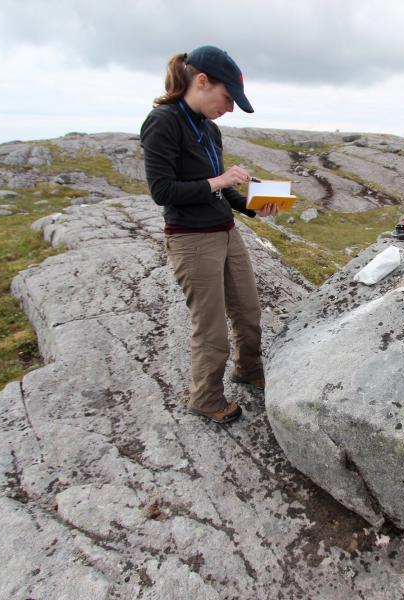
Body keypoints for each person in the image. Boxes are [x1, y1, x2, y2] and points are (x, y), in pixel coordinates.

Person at [140, 45, 277, 425]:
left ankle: (248, 369)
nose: (229, 108)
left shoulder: (209, 128)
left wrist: (253, 205)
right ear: (202, 81)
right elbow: (161, 191)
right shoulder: (163, 121)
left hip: (226, 232)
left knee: (248, 311)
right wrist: (220, 178)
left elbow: (221, 191)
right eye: (227, 97)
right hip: (191, 239)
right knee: (211, 326)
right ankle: (206, 398)